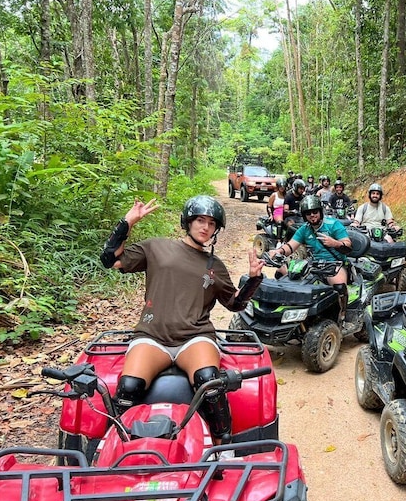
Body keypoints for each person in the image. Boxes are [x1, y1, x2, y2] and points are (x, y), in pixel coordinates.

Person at [99, 195, 265, 441]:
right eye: (200, 220)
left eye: (211, 223)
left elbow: (235, 304)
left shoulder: (214, 266)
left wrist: (253, 278)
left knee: (209, 383)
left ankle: (222, 447)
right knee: (129, 387)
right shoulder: (157, 247)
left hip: (195, 338)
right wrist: (128, 222)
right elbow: (110, 260)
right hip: (152, 336)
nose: (205, 227)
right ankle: (113, 447)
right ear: (188, 222)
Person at [267, 195, 352, 323]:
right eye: (308, 213)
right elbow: (291, 246)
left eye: (315, 212)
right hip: (313, 264)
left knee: (339, 286)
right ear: (304, 215)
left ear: (320, 211)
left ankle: (342, 315)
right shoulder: (304, 229)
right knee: (281, 272)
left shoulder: (334, 224)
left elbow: (348, 245)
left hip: (335, 264)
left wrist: (335, 243)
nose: (312, 215)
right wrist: (278, 251)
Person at [267, 179, 287, 245]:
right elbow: (269, 206)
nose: (282, 188)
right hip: (277, 212)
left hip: (286, 212)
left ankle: (286, 240)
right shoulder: (274, 195)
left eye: (283, 186)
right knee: (280, 222)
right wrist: (270, 215)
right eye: (280, 186)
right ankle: (279, 241)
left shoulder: (287, 195)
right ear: (278, 187)